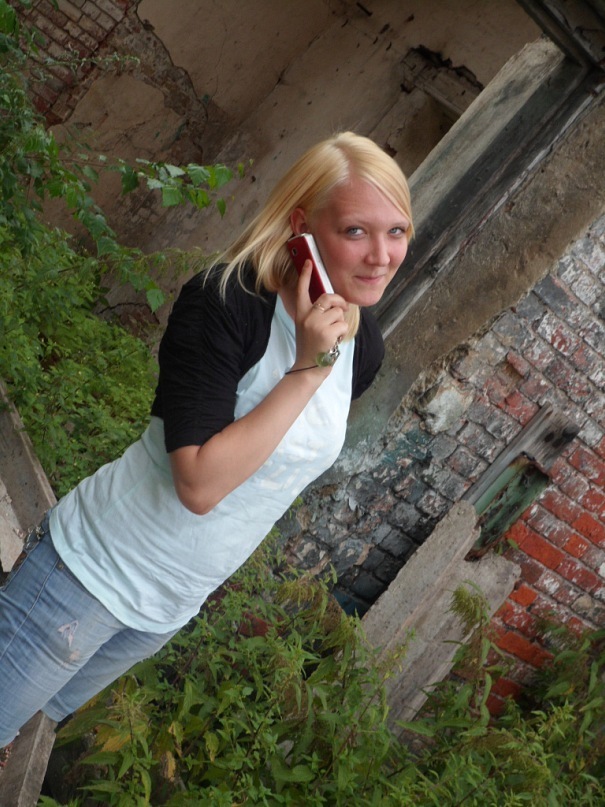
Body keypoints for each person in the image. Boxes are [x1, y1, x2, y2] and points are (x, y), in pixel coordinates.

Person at [0, 131, 413, 748]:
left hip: (165, 609)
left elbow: (274, 463)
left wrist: (322, 359)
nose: (381, 255)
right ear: (302, 226)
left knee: (22, 744)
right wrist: (306, 370)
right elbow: (197, 483)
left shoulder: (363, 345)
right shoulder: (225, 301)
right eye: (356, 231)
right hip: (90, 574)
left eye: (397, 231)